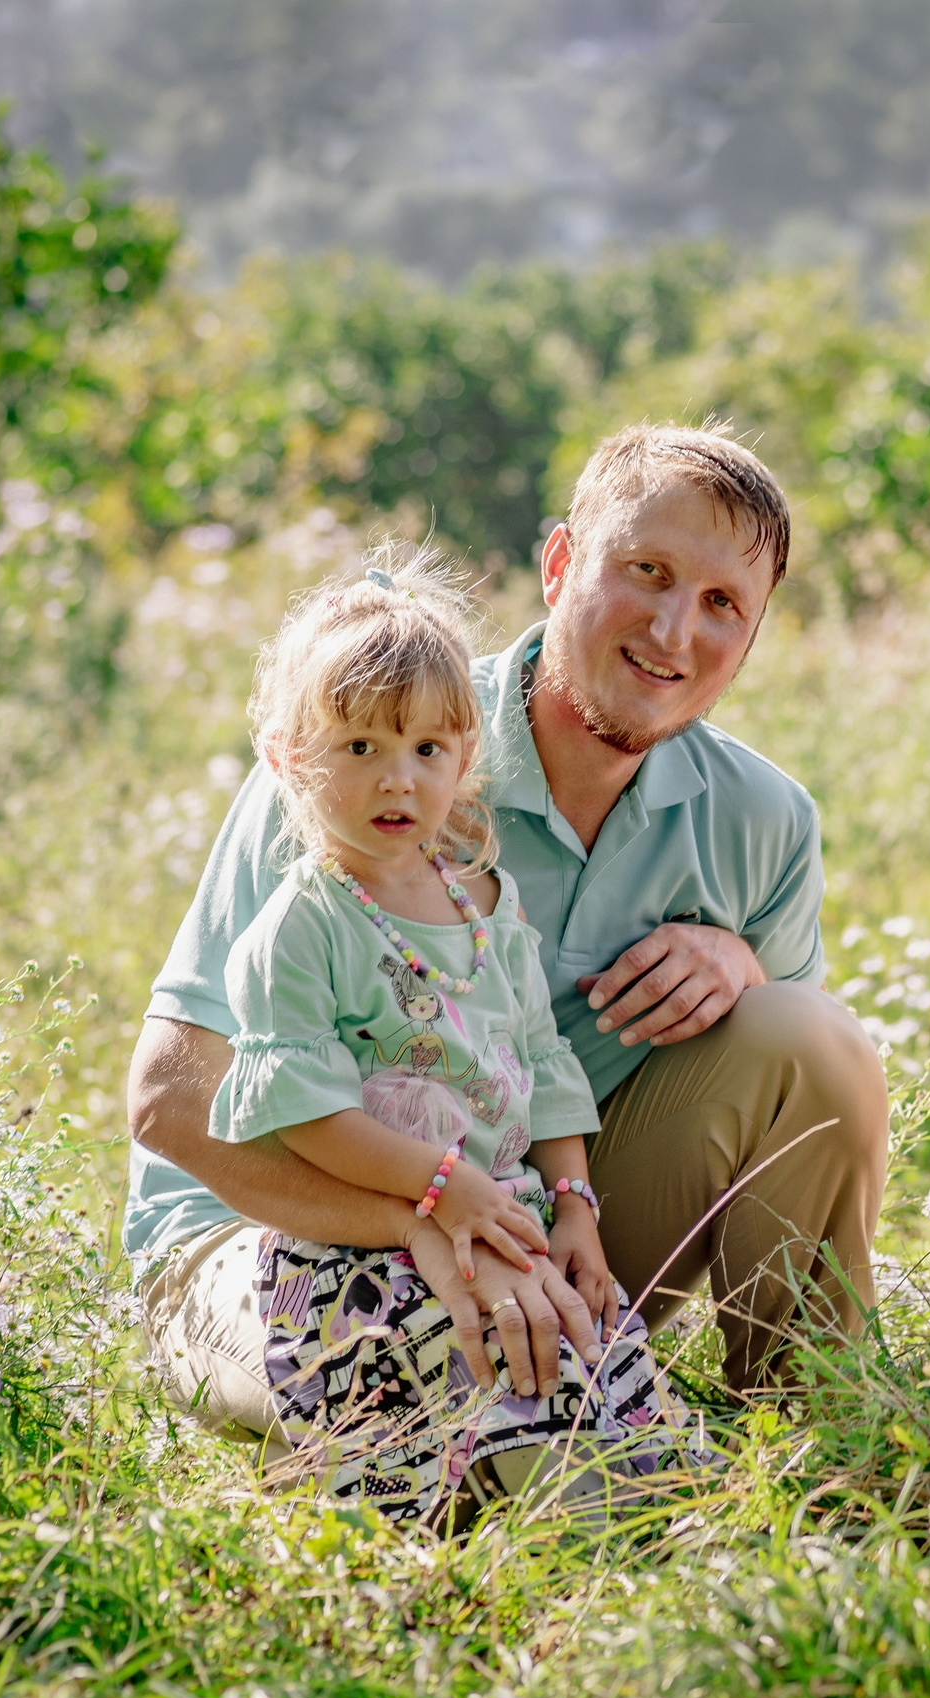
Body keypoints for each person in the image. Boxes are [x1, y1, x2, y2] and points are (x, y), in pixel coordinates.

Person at [127, 425, 889, 1446]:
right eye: (646, 571)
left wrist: (742, 970)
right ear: (560, 563)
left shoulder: (763, 820)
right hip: (273, 1234)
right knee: (445, 1388)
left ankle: (814, 1441)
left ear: (754, 635)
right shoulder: (374, 742)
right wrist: (427, 1217)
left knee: (811, 1035)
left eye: (721, 604)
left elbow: (800, 1125)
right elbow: (171, 1096)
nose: (673, 630)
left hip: (536, 1215)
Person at [206, 549, 684, 1516]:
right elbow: (306, 1111)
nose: (399, 779)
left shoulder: (486, 908)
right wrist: (438, 1187)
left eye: (427, 750)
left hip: (504, 1214)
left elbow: (542, 1063)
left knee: (611, 1389)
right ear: (289, 759)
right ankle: (486, 1510)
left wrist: (576, 1205)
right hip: (359, 1247)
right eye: (360, 749)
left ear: (467, 759)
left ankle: (646, 1504)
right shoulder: (303, 926)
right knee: (472, 1414)